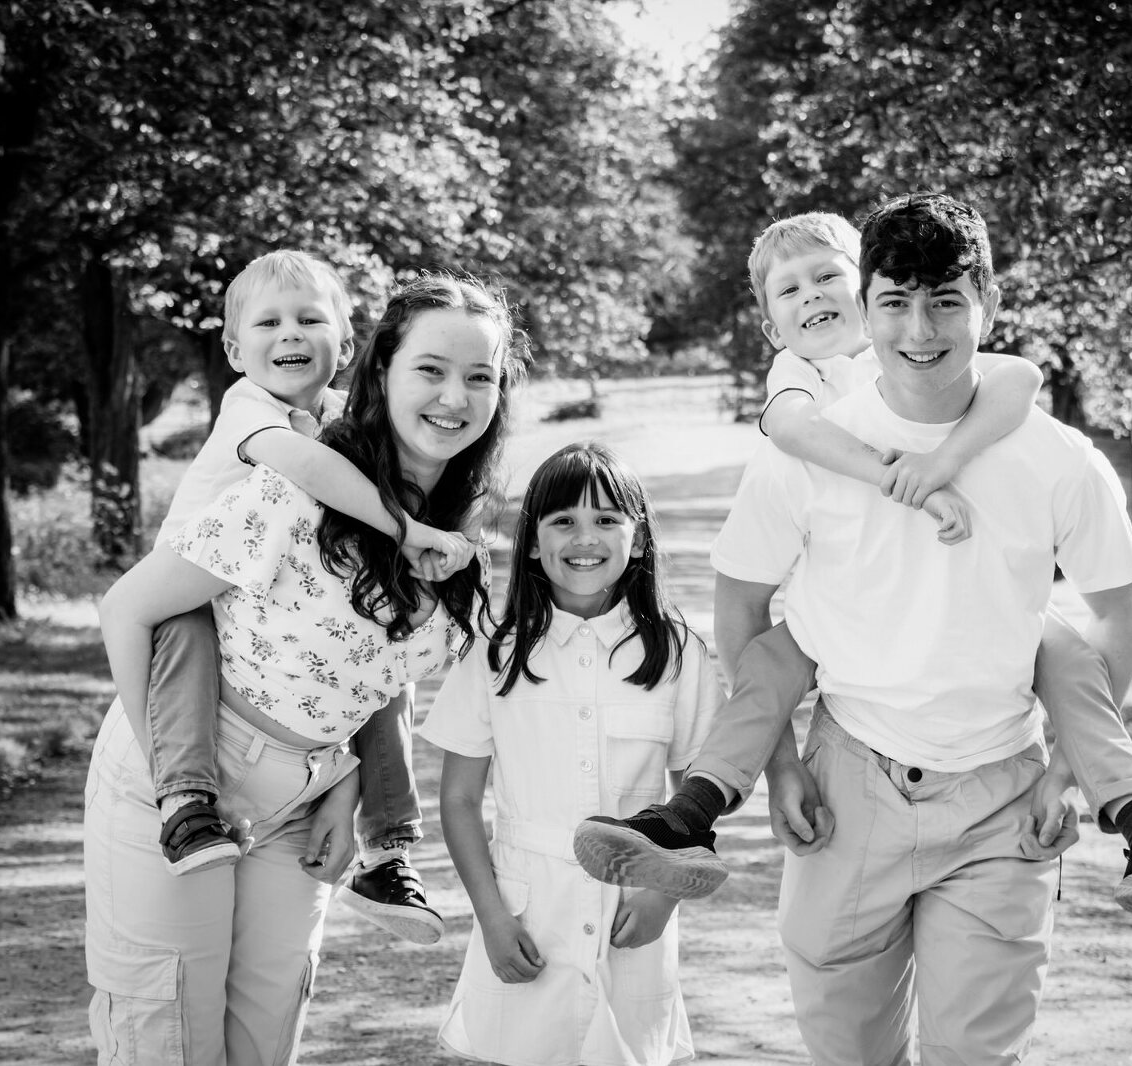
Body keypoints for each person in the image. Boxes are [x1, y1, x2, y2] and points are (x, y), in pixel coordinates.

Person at [575, 209, 1132, 922]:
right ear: (771, 326)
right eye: (789, 291)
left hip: (989, 644)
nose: (812, 297)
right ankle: (690, 816)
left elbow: (1019, 378)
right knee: (765, 670)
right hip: (831, 634)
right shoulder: (800, 379)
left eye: (827, 277)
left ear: (865, 291)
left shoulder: (920, 345)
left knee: (1069, 661)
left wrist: (943, 464)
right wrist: (902, 482)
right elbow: (787, 433)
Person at [85, 272, 527, 1066]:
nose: (454, 396)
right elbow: (128, 608)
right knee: (170, 1037)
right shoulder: (298, 486)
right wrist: (176, 783)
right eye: (430, 369)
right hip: (180, 777)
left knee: (265, 1036)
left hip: (306, 804)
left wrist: (345, 782)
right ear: (381, 370)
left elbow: (374, 670)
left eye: (480, 376)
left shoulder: (463, 539)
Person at [146, 250, 471, 947]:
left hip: (265, 599)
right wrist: (407, 529)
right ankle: (184, 799)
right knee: (185, 656)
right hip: (192, 587)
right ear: (234, 349)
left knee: (385, 662)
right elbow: (305, 467)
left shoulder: (338, 417)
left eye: (309, 319)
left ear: (347, 344)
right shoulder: (248, 409)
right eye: (268, 322)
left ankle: (389, 851)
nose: (290, 334)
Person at [420, 442, 723, 1066]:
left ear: (637, 539)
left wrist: (662, 894)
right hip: (527, 913)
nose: (585, 537)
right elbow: (456, 799)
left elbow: (701, 788)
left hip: (632, 913)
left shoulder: (676, 651)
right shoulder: (493, 654)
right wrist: (493, 919)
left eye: (607, 519)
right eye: (562, 521)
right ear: (531, 542)